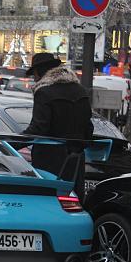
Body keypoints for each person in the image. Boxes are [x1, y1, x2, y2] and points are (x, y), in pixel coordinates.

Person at [22, 52, 93, 199]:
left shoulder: (44, 92)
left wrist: (11, 143)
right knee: (73, 199)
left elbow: (38, 128)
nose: (34, 78)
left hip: (49, 159)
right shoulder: (80, 90)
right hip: (75, 159)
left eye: (34, 74)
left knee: (48, 199)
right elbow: (88, 127)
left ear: (41, 71)